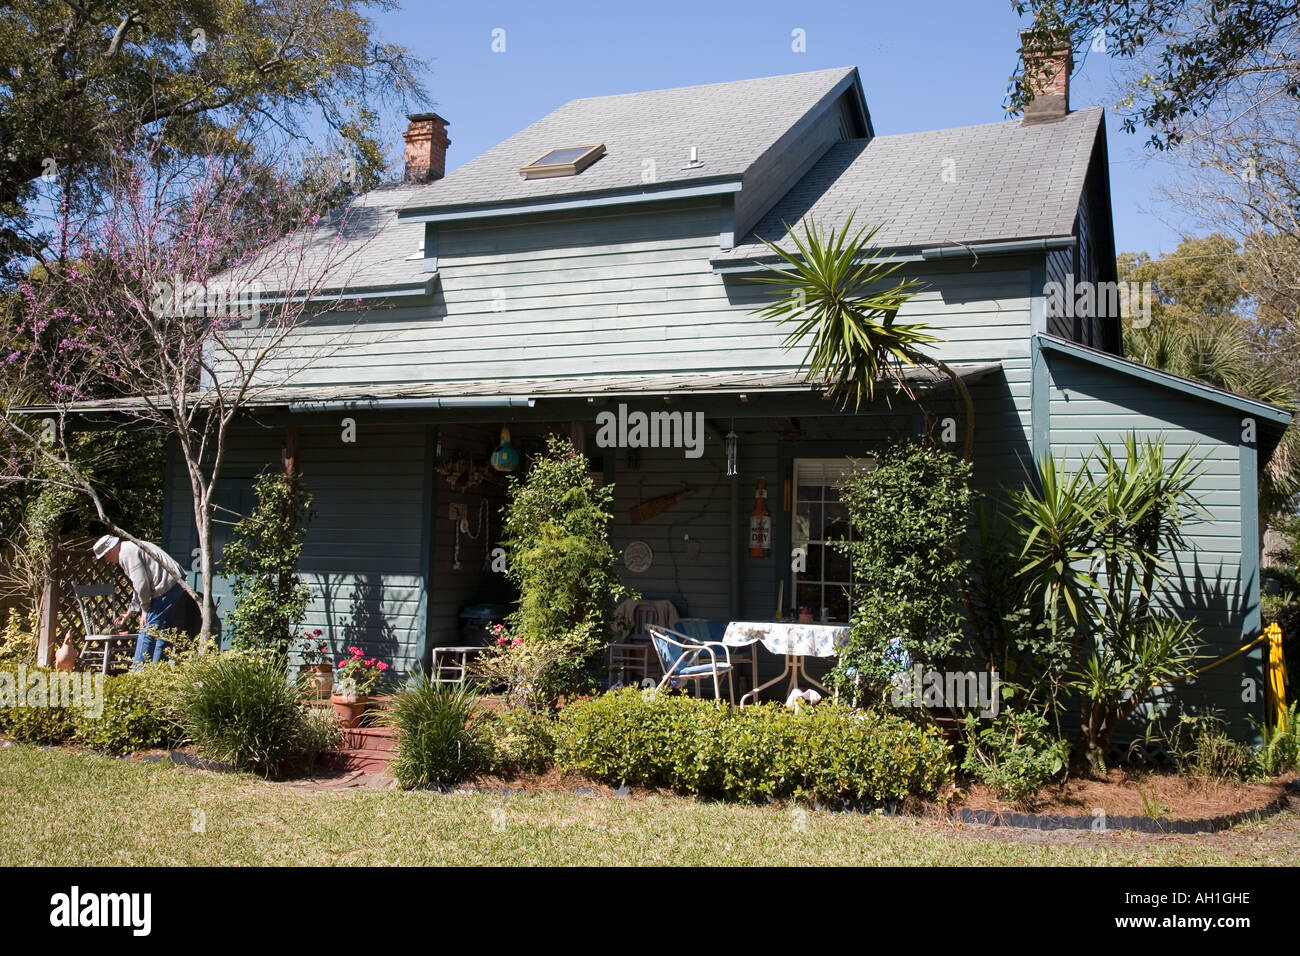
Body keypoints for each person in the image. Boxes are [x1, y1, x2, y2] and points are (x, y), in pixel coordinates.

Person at [92, 534, 187, 665]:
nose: (107, 560)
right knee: (163, 630)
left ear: (111, 549)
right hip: (175, 584)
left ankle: (138, 673)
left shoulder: (126, 554)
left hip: (164, 587)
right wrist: (129, 613)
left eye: (105, 556)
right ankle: (158, 669)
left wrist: (145, 609)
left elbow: (142, 585)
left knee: (147, 630)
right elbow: (139, 587)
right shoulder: (130, 547)